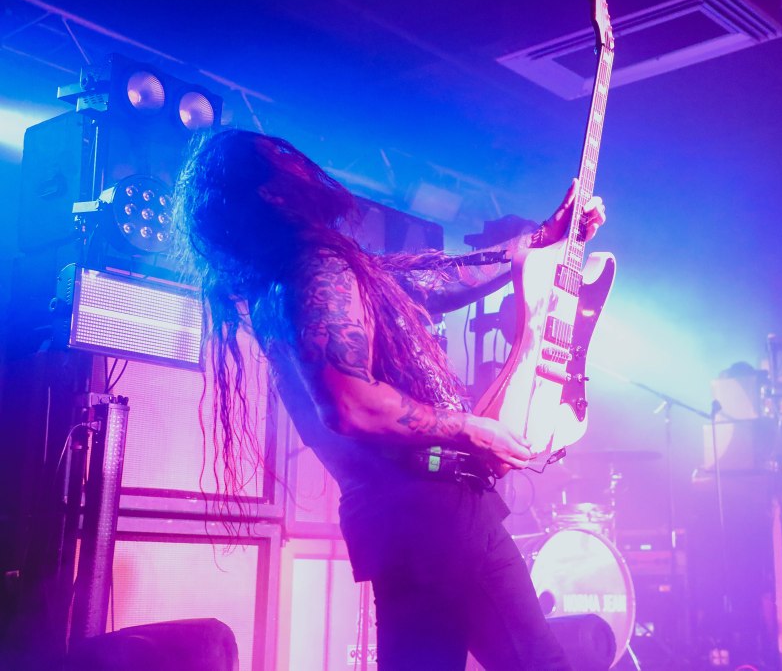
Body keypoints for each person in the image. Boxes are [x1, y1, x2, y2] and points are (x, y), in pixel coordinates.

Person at [173, 129, 607, 670]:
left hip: (417, 518)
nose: (299, 163)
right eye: (280, 160)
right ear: (269, 192)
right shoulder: (311, 269)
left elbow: (437, 282)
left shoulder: (303, 271)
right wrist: (472, 429)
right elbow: (350, 404)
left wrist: (544, 238)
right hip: (430, 514)